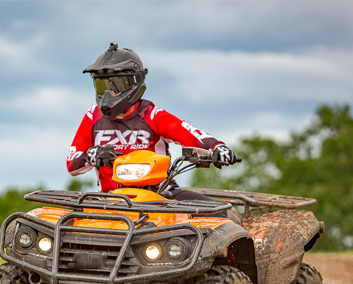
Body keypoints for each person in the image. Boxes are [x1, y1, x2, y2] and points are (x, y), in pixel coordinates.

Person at [67, 43, 236, 213]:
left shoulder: (152, 115)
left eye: (115, 86)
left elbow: (187, 133)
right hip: (110, 199)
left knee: (218, 212)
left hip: (161, 195)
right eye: (101, 86)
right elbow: (71, 162)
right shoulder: (92, 116)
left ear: (133, 82)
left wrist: (216, 146)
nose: (108, 95)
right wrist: (90, 155)